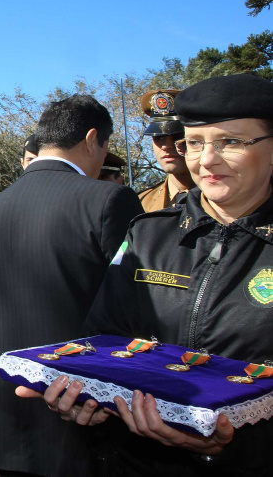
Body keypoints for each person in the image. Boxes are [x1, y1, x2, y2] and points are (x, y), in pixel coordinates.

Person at [30, 73, 273, 476]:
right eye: (194, 143)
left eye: (230, 142)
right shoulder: (149, 234)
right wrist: (87, 398)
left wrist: (222, 445)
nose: (206, 160)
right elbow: (106, 339)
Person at [0, 94, 144, 476]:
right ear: (93, 138)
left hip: (11, 422)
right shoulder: (111, 200)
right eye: (108, 145)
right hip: (90, 423)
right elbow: (138, 307)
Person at [137, 89, 194, 212]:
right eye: (159, 137)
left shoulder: (226, 198)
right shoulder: (140, 204)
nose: (166, 146)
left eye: (178, 136)